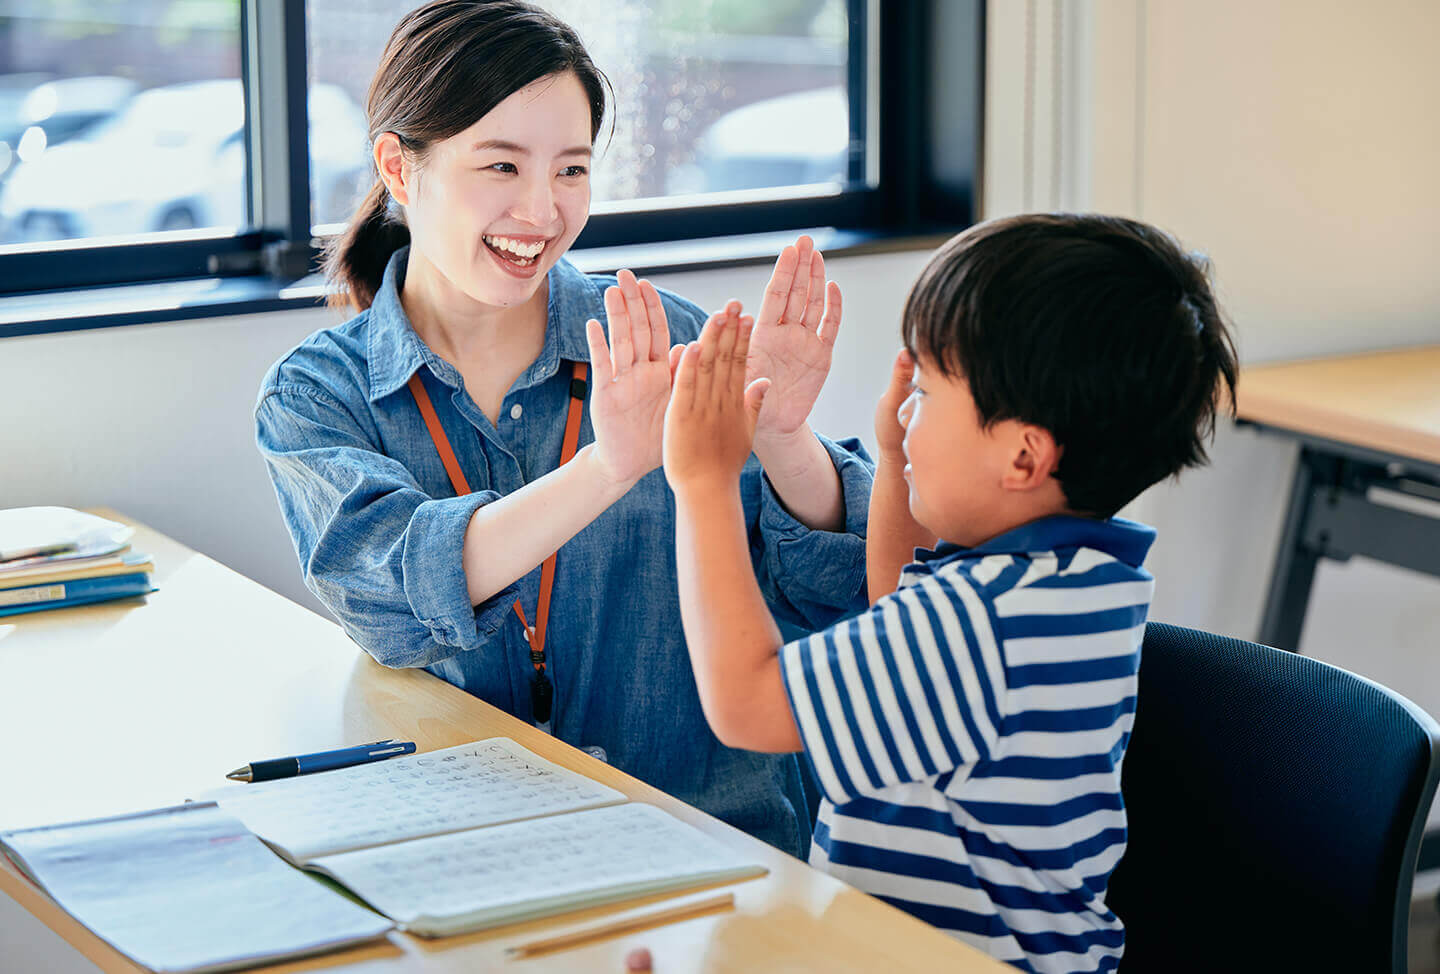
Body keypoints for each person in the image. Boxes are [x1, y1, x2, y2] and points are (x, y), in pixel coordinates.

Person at [254, 0, 873, 858]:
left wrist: (784, 436)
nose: (541, 211)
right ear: (399, 167)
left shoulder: (674, 344)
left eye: (571, 171)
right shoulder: (319, 393)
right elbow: (391, 601)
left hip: (716, 849)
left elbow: (845, 590)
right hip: (472, 854)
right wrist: (607, 466)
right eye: (501, 167)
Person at [660, 212, 1239, 972]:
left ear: (1025, 456)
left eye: (928, 393)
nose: (905, 409)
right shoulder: (1071, 583)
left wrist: (703, 484)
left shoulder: (981, 618)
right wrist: (900, 460)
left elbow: (746, 703)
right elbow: (898, 610)